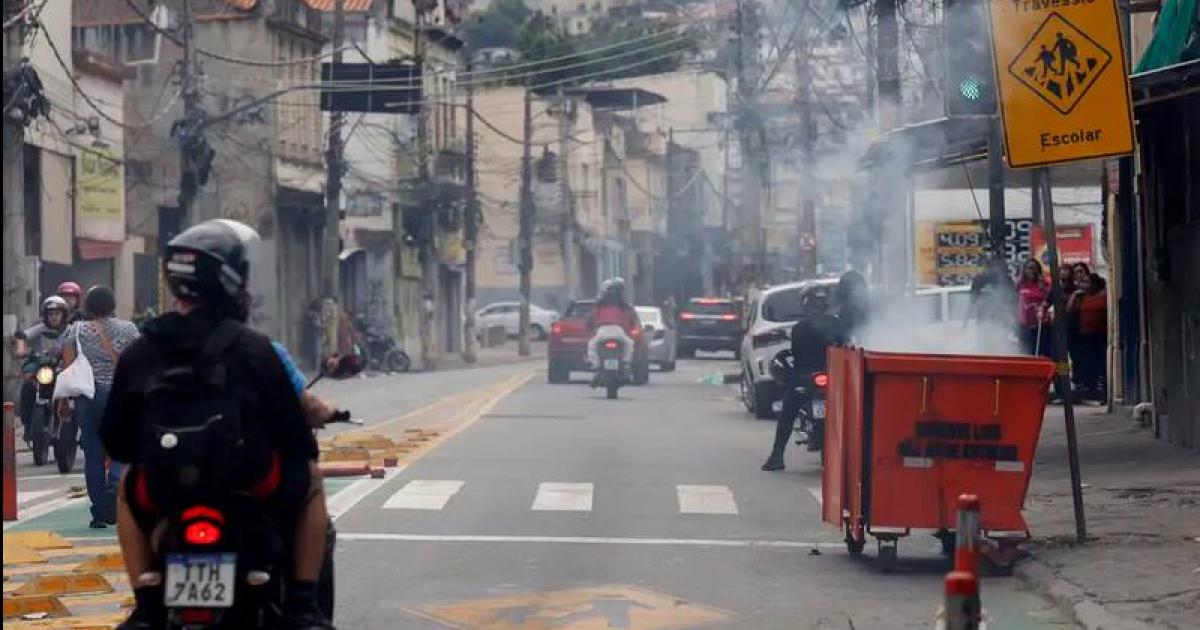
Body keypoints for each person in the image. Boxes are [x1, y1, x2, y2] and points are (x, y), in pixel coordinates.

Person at [101, 219, 335, 630]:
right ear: (231, 281)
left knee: (125, 487)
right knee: (312, 480)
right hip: (248, 483)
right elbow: (296, 439)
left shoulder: (142, 351)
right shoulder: (254, 349)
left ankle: (145, 604)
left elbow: (117, 441)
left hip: (165, 488)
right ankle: (303, 605)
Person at [58, 286, 140, 529]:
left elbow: (68, 367)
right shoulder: (129, 329)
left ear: (88, 307)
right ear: (112, 305)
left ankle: (98, 510)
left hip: (88, 397)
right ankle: (114, 486)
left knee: (93, 454)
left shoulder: (76, 329)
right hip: (119, 396)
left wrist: (63, 401)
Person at [762, 289, 842, 471]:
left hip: (805, 379)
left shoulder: (800, 328)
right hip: (834, 378)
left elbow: (797, 353)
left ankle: (777, 456)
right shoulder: (837, 324)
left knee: (787, 414)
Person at [13, 296, 70, 440]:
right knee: (28, 387)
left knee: (79, 393)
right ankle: (28, 425)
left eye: (57, 313)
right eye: (50, 314)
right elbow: (22, 336)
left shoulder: (70, 330)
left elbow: (80, 342)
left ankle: (80, 429)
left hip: (64, 368)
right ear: (45, 315)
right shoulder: (40, 328)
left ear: (64, 314)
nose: (54, 317)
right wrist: (21, 349)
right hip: (42, 367)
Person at [586, 278, 641, 374]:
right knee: (629, 344)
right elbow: (632, 320)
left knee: (591, 345)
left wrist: (590, 329)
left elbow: (590, 320)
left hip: (602, 331)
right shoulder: (624, 306)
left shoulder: (599, 306)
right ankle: (626, 363)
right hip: (618, 331)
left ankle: (596, 364)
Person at [1068, 271, 1108, 400]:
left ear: (1094, 284)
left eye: (1086, 282)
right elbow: (1069, 310)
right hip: (1084, 334)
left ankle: (1100, 387)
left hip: (1099, 334)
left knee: (1099, 361)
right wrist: (1074, 295)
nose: (1083, 285)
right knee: (1086, 361)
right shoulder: (1081, 297)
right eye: (1082, 282)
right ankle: (1088, 385)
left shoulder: (1103, 296)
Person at [1017, 259, 1053, 357]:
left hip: (1042, 323)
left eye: (1035, 268)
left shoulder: (1045, 284)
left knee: (1042, 351)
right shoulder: (1020, 284)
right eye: (1030, 268)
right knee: (1026, 352)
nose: (1033, 271)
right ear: (1025, 270)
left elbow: (1049, 300)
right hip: (1025, 323)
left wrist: (1043, 287)